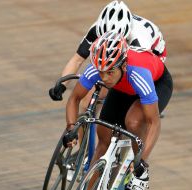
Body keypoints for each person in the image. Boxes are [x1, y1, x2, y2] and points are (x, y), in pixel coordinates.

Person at [65, 31, 173, 189]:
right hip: (123, 85)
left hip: (157, 84)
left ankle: (138, 174)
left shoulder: (138, 72)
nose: (104, 78)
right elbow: (74, 99)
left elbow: (153, 122)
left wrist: (141, 163)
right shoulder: (100, 68)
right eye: (101, 72)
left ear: (123, 64)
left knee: (134, 121)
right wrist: (71, 128)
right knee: (103, 135)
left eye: (109, 72)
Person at [49, 0, 167, 114]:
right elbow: (77, 59)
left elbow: (139, 70)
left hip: (154, 54)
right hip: (118, 56)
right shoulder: (97, 29)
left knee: (119, 89)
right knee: (86, 103)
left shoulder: (139, 38)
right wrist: (62, 86)